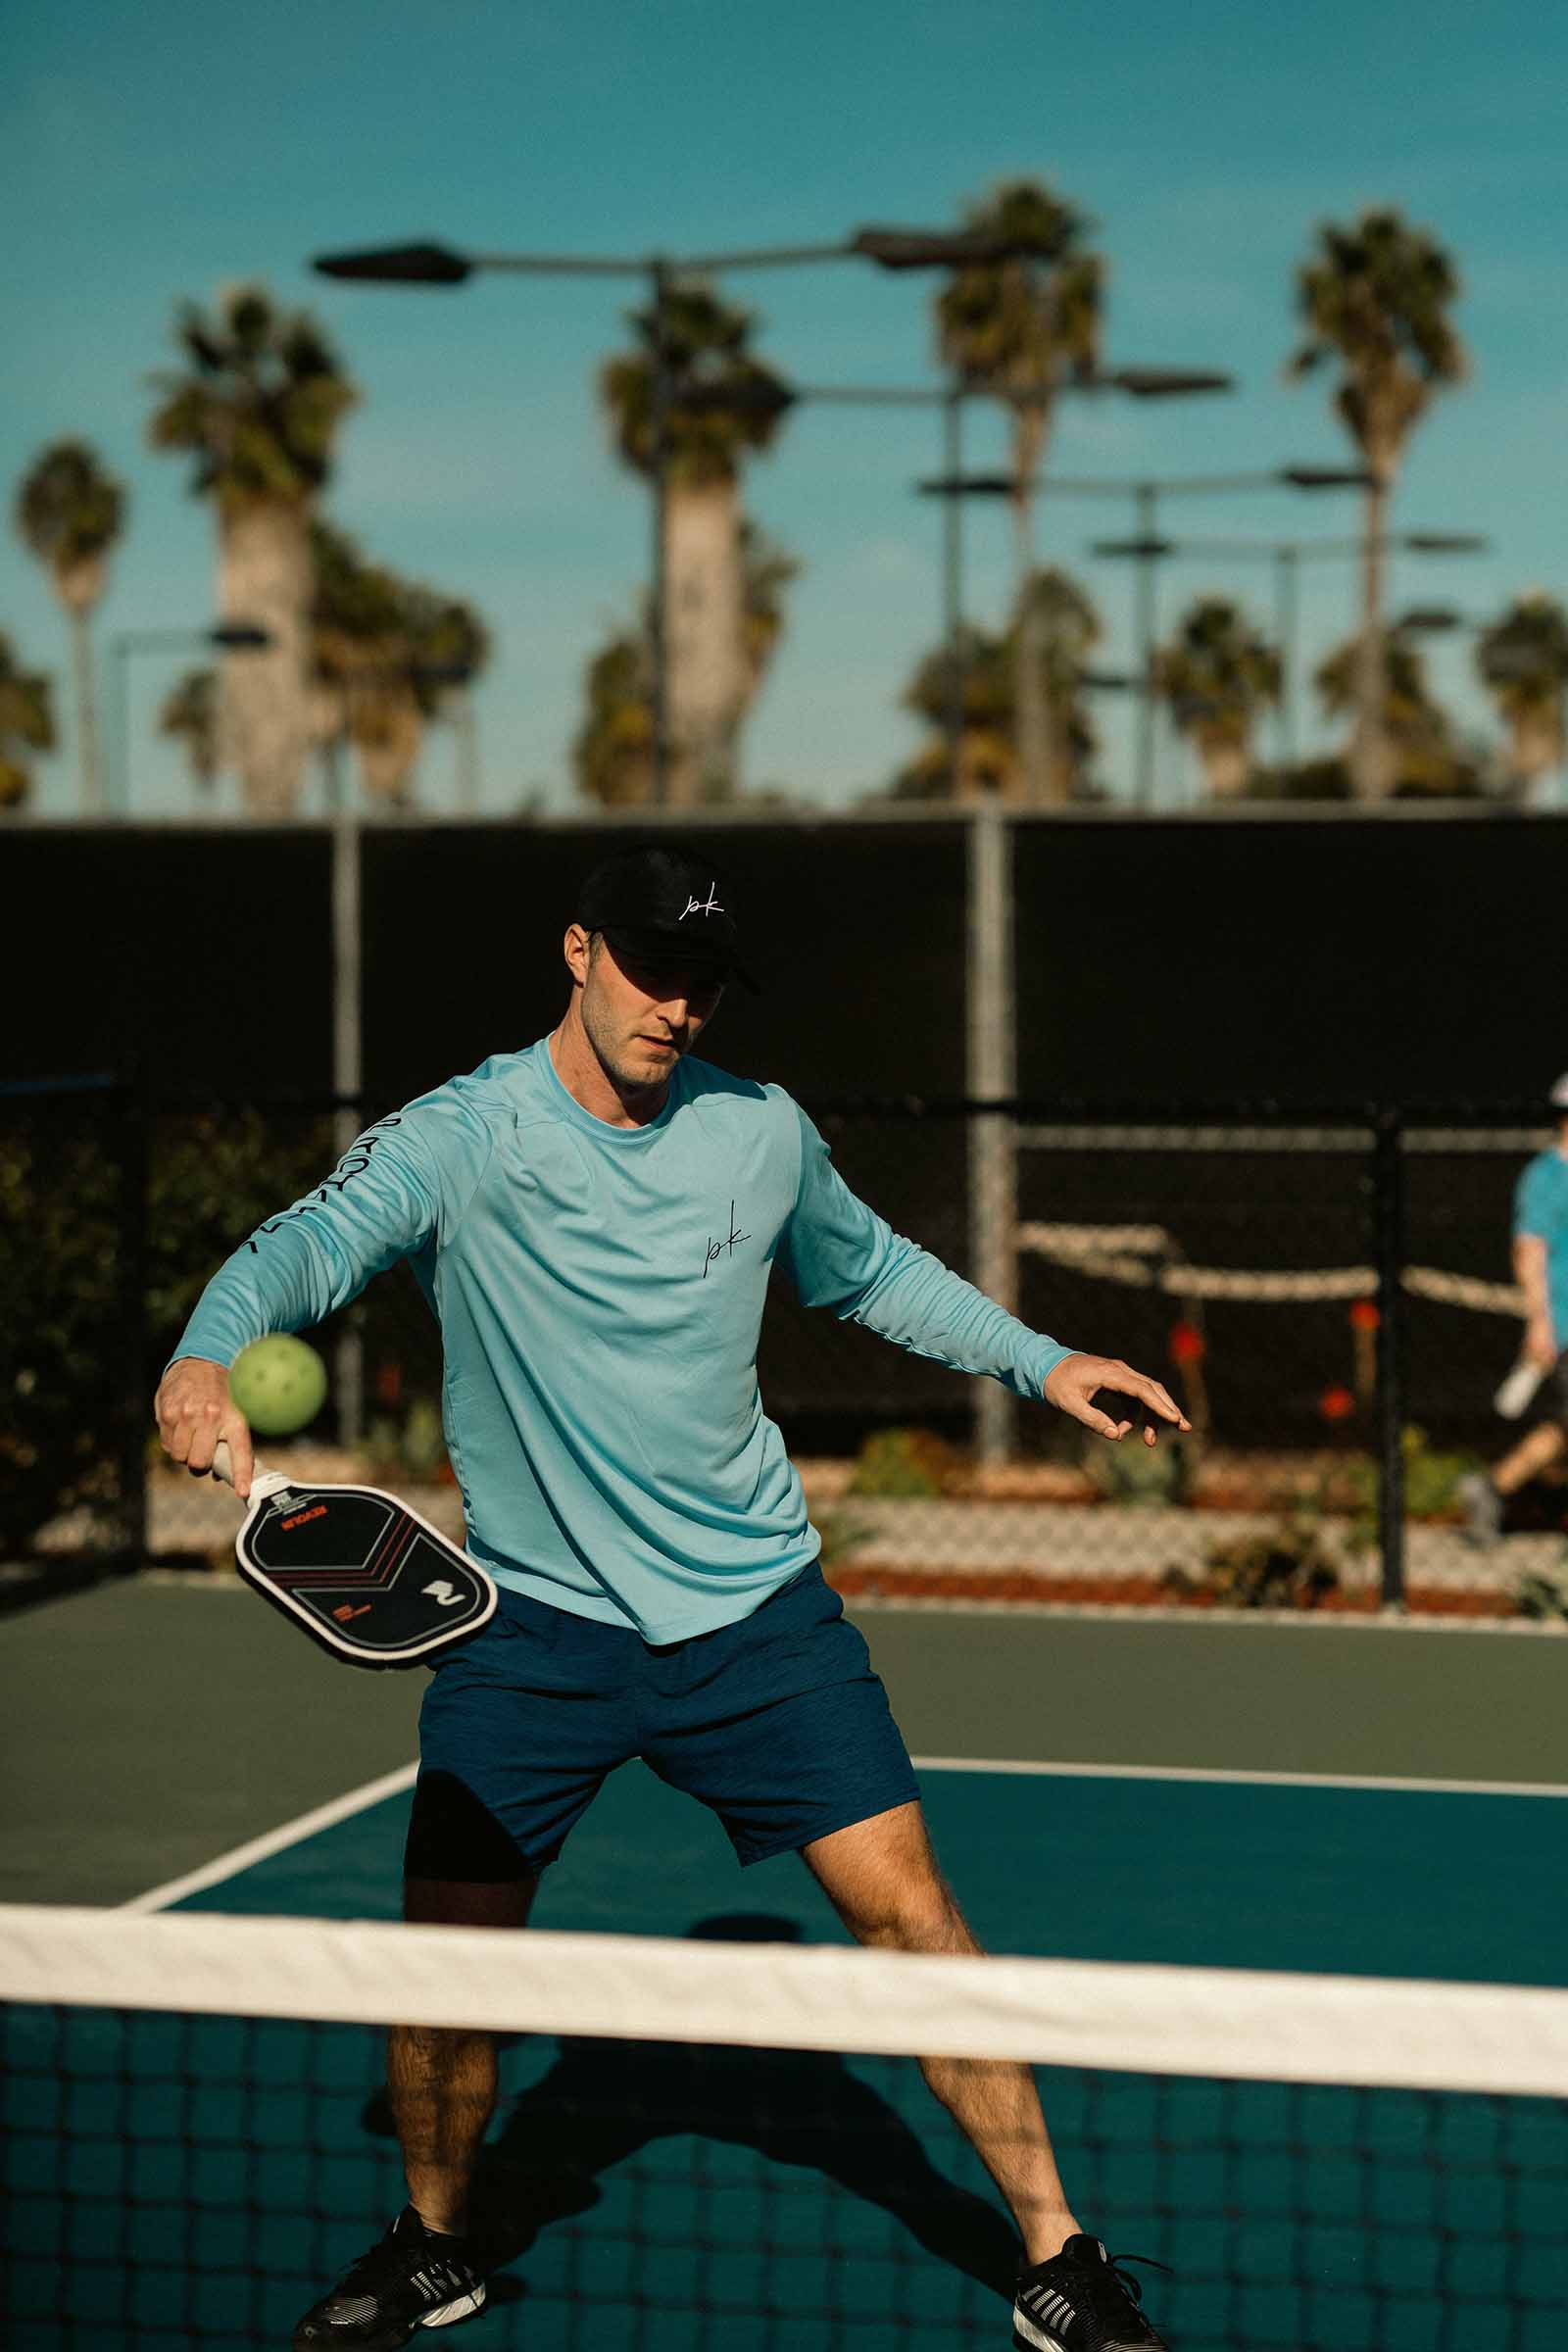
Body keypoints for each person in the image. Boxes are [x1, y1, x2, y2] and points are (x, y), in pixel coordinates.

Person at [155, 844, 1189, 2352]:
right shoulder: (464, 1137)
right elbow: (304, 1243)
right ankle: (435, 2240)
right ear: (577, 950)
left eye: (703, 981)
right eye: (651, 968)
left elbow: (872, 1271)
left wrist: (1045, 1362)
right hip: (524, 1635)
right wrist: (203, 1354)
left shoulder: (760, 1133)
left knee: (915, 1917)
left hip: (757, 1622)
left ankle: (1061, 2253)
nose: (677, 1005)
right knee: (445, 1969)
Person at [1461, 1072, 1568, 1544]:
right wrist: (1541, 1322)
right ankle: (1495, 1487)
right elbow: (1529, 1252)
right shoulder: (1546, 1177)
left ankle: (1494, 1486)